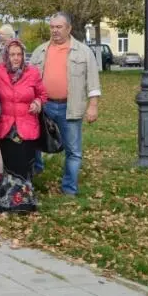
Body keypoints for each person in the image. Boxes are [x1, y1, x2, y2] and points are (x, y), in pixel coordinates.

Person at [30, 12, 101, 196]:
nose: (54, 31)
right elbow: (29, 80)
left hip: (70, 108)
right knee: (32, 142)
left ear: (68, 28)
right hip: (43, 107)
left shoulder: (83, 52)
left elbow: (93, 82)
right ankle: (35, 172)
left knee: (73, 151)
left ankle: (69, 189)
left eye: (59, 27)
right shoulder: (40, 51)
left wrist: (93, 106)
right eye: (52, 27)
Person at [0, 39, 47, 211]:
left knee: (23, 163)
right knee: (10, 163)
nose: (16, 58)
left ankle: (23, 198)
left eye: (19, 54)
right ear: (6, 55)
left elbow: (42, 94)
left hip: (26, 125)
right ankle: (8, 197)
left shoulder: (32, 72)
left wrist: (37, 103)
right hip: (6, 126)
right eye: (12, 54)